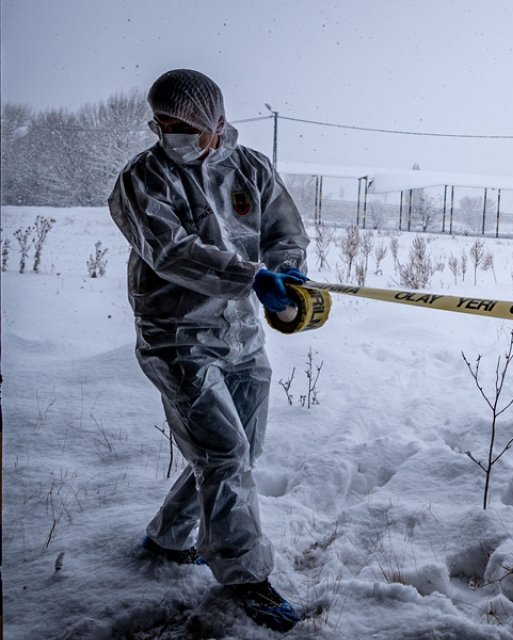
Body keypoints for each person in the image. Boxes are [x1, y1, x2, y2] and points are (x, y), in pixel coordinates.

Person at [108, 69, 310, 633]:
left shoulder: (250, 169)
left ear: (217, 123)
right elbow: (171, 253)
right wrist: (249, 277)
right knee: (223, 454)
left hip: (242, 333)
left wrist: (285, 267)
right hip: (176, 336)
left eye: (188, 125)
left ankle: (171, 538)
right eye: (164, 124)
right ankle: (245, 576)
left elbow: (282, 229)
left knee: (241, 451)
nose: (174, 134)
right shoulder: (142, 179)